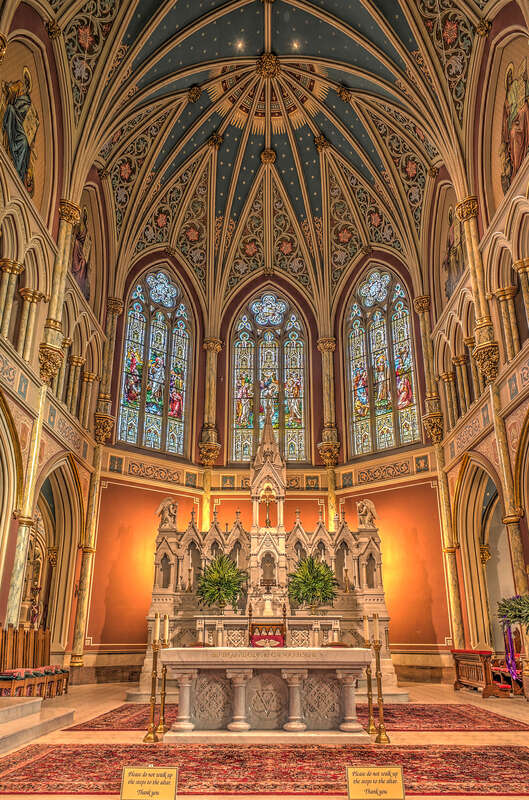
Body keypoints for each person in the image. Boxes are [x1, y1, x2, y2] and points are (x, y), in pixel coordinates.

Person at [1, 67, 39, 195]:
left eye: (27, 84)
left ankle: (19, 172)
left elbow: (30, 122)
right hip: (15, 120)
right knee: (11, 110)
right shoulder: (18, 91)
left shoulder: (28, 102)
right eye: (25, 83)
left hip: (22, 128)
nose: (24, 86)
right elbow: (10, 94)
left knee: (24, 142)